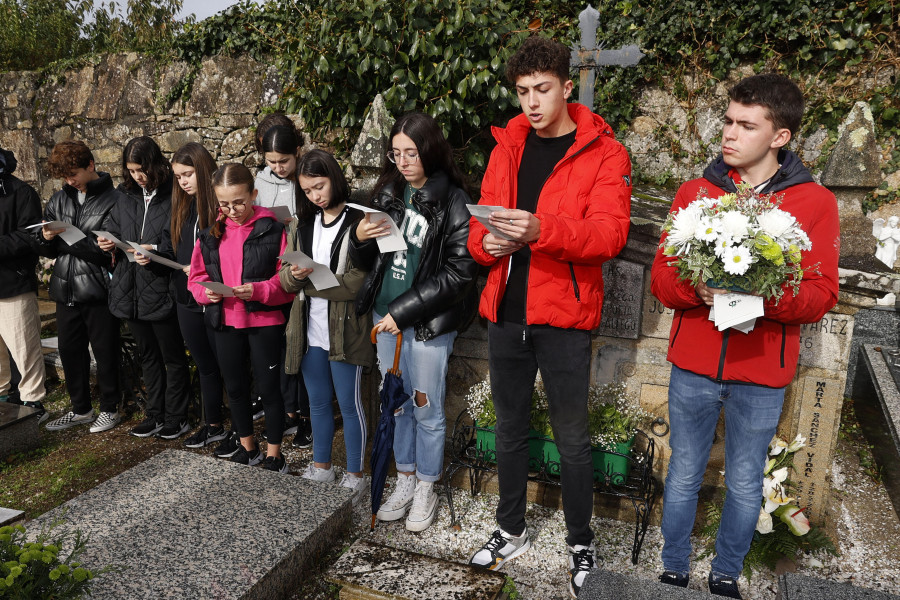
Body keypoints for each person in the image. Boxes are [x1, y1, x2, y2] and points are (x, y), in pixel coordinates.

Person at [650, 74, 840, 599]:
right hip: (693, 362)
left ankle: (727, 572)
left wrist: (759, 296)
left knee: (744, 480)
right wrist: (700, 290)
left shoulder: (814, 202)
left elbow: (823, 294)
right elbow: (662, 280)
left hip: (761, 370)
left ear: (779, 136)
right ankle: (672, 568)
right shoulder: (696, 192)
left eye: (746, 125)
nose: (729, 134)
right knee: (685, 471)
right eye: (728, 122)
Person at [465, 36, 632, 599]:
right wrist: (491, 244)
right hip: (506, 314)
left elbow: (609, 236)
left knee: (572, 436)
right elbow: (476, 238)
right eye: (521, 92)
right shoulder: (505, 147)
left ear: (566, 85)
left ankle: (580, 541)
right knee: (509, 428)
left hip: (564, 317)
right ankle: (510, 528)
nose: (531, 103)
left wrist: (541, 231)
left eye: (541, 90)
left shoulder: (606, 153)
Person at [351, 111, 478, 532]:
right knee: (397, 405)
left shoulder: (454, 200)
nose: (403, 161)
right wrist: (358, 240)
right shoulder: (389, 190)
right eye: (396, 152)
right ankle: (404, 479)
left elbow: (458, 274)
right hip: (384, 316)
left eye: (412, 152)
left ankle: (427, 484)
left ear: (430, 150)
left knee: (426, 407)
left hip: (424, 325)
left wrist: (400, 313)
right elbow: (368, 262)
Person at [188, 163, 295, 472]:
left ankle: (275, 453)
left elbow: (285, 281)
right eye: (224, 204)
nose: (232, 210)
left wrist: (259, 291)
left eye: (239, 202)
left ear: (254, 195)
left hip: (265, 321)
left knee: (269, 387)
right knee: (234, 387)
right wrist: (205, 294)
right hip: (225, 321)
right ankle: (248, 447)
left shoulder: (274, 229)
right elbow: (195, 279)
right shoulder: (209, 234)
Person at [279, 149, 372, 501]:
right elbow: (285, 282)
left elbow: (357, 283)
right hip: (308, 329)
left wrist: (309, 280)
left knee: (349, 405)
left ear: (334, 178)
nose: (315, 196)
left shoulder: (358, 221)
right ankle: (321, 466)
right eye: (307, 191)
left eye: (319, 186)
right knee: (316, 403)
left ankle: (355, 472)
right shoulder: (301, 225)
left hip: (345, 330)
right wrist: (295, 274)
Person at [98, 136, 191, 440]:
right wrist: (106, 240)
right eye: (131, 170)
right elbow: (114, 225)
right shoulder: (125, 194)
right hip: (129, 287)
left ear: (155, 165)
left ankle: (178, 416)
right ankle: (155, 414)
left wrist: (154, 248)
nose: (137, 176)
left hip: (161, 284)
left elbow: (180, 238)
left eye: (141, 169)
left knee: (173, 356)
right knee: (147, 355)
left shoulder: (174, 193)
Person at [40, 141, 123, 433]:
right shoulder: (58, 199)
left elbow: (108, 253)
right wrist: (47, 240)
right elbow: (48, 252)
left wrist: (70, 241)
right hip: (64, 288)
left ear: (90, 166)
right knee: (69, 349)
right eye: (64, 176)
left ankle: (111, 407)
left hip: (98, 288)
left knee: (105, 350)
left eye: (73, 173)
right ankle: (81, 410)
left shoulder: (115, 199)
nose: (69, 181)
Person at [254, 119, 313, 448]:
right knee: (277, 346)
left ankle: (306, 416)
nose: (277, 168)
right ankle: (287, 411)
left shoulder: (307, 178)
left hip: (300, 271)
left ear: (297, 153)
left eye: (283, 162)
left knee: (300, 344)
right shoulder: (260, 181)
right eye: (271, 161)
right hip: (270, 269)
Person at [166, 142, 229, 449]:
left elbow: (229, 255)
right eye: (178, 177)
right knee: (204, 365)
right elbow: (177, 246)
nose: (183, 182)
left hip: (215, 298)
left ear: (203, 170)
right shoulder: (182, 206)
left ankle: (235, 424)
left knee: (224, 363)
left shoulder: (219, 205)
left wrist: (203, 270)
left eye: (188, 174)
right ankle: (212, 424)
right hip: (186, 298)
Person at [0, 146, 47, 421]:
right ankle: (4, 401)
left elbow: (30, 236)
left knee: (24, 348)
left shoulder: (21, 192)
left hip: (14, 283)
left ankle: (33, 402)